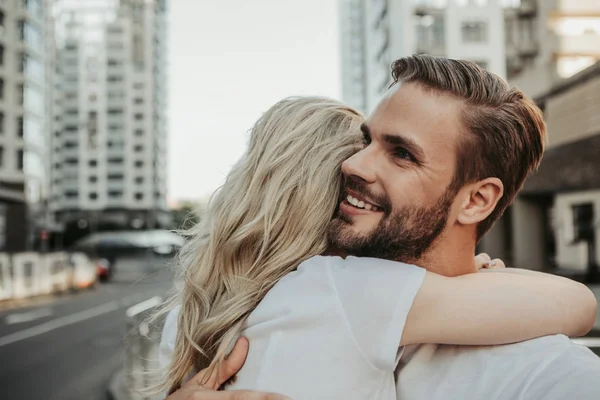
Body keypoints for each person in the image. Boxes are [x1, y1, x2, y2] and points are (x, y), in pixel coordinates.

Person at [159, 55, 599, 399]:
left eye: (402, 154)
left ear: (476, 200)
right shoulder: (328, 292)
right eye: (367, 140)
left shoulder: (549, 377)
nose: (353, 163)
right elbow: (579, 302)